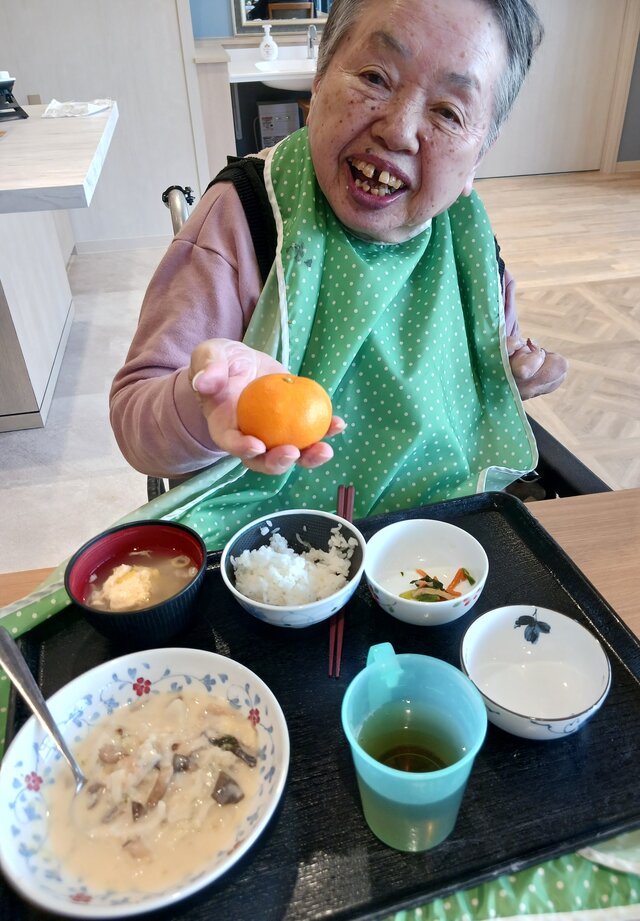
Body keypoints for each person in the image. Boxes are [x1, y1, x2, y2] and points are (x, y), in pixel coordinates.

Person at [110, 0, 567, 549]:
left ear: (480, 155)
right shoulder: (246, 218)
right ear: (320, 80)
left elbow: (484, 361)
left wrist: (513, 372)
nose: (398, 131)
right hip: (265, 549)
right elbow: (137, 428)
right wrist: (201, 404)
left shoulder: (469, 245)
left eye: (448, 112)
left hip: (438, 539)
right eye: (375, 77)